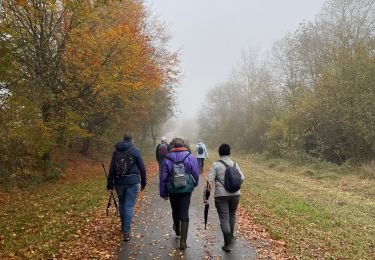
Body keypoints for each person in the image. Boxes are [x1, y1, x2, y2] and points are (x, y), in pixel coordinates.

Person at [159, 137, 200, 250]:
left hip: (173, 190)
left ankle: (177, 230)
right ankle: (183, 242)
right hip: (186, 189)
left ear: (172, 146)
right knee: (184, 212)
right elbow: (196, 173)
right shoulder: (190, 156)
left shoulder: (167, 158)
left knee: (175, 210)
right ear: (183, 145)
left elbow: (163, 177)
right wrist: (194, 184)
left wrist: (163, 193)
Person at [107, 133, 147, 242]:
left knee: (122, 203)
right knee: (129, 206)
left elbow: (111, 169)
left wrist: (109, 185)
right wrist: (143, 183)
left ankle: (123, 226)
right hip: (133, 182)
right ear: (132, 140)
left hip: (119, 182)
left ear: (123, 139)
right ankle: (126, 231)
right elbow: (142, 169)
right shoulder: (135, 151)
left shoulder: (116, 152)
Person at [205, 143, 244, 252]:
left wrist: (206, 196)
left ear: (219, 153)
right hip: (236, 194)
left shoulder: (216, 165)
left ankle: (227, 244)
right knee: (232, 214)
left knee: (224, 218)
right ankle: (231, 237)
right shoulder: (235, 164)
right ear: (229, 152)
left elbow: (209, 181)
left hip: (221, 196)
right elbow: (242, 178)